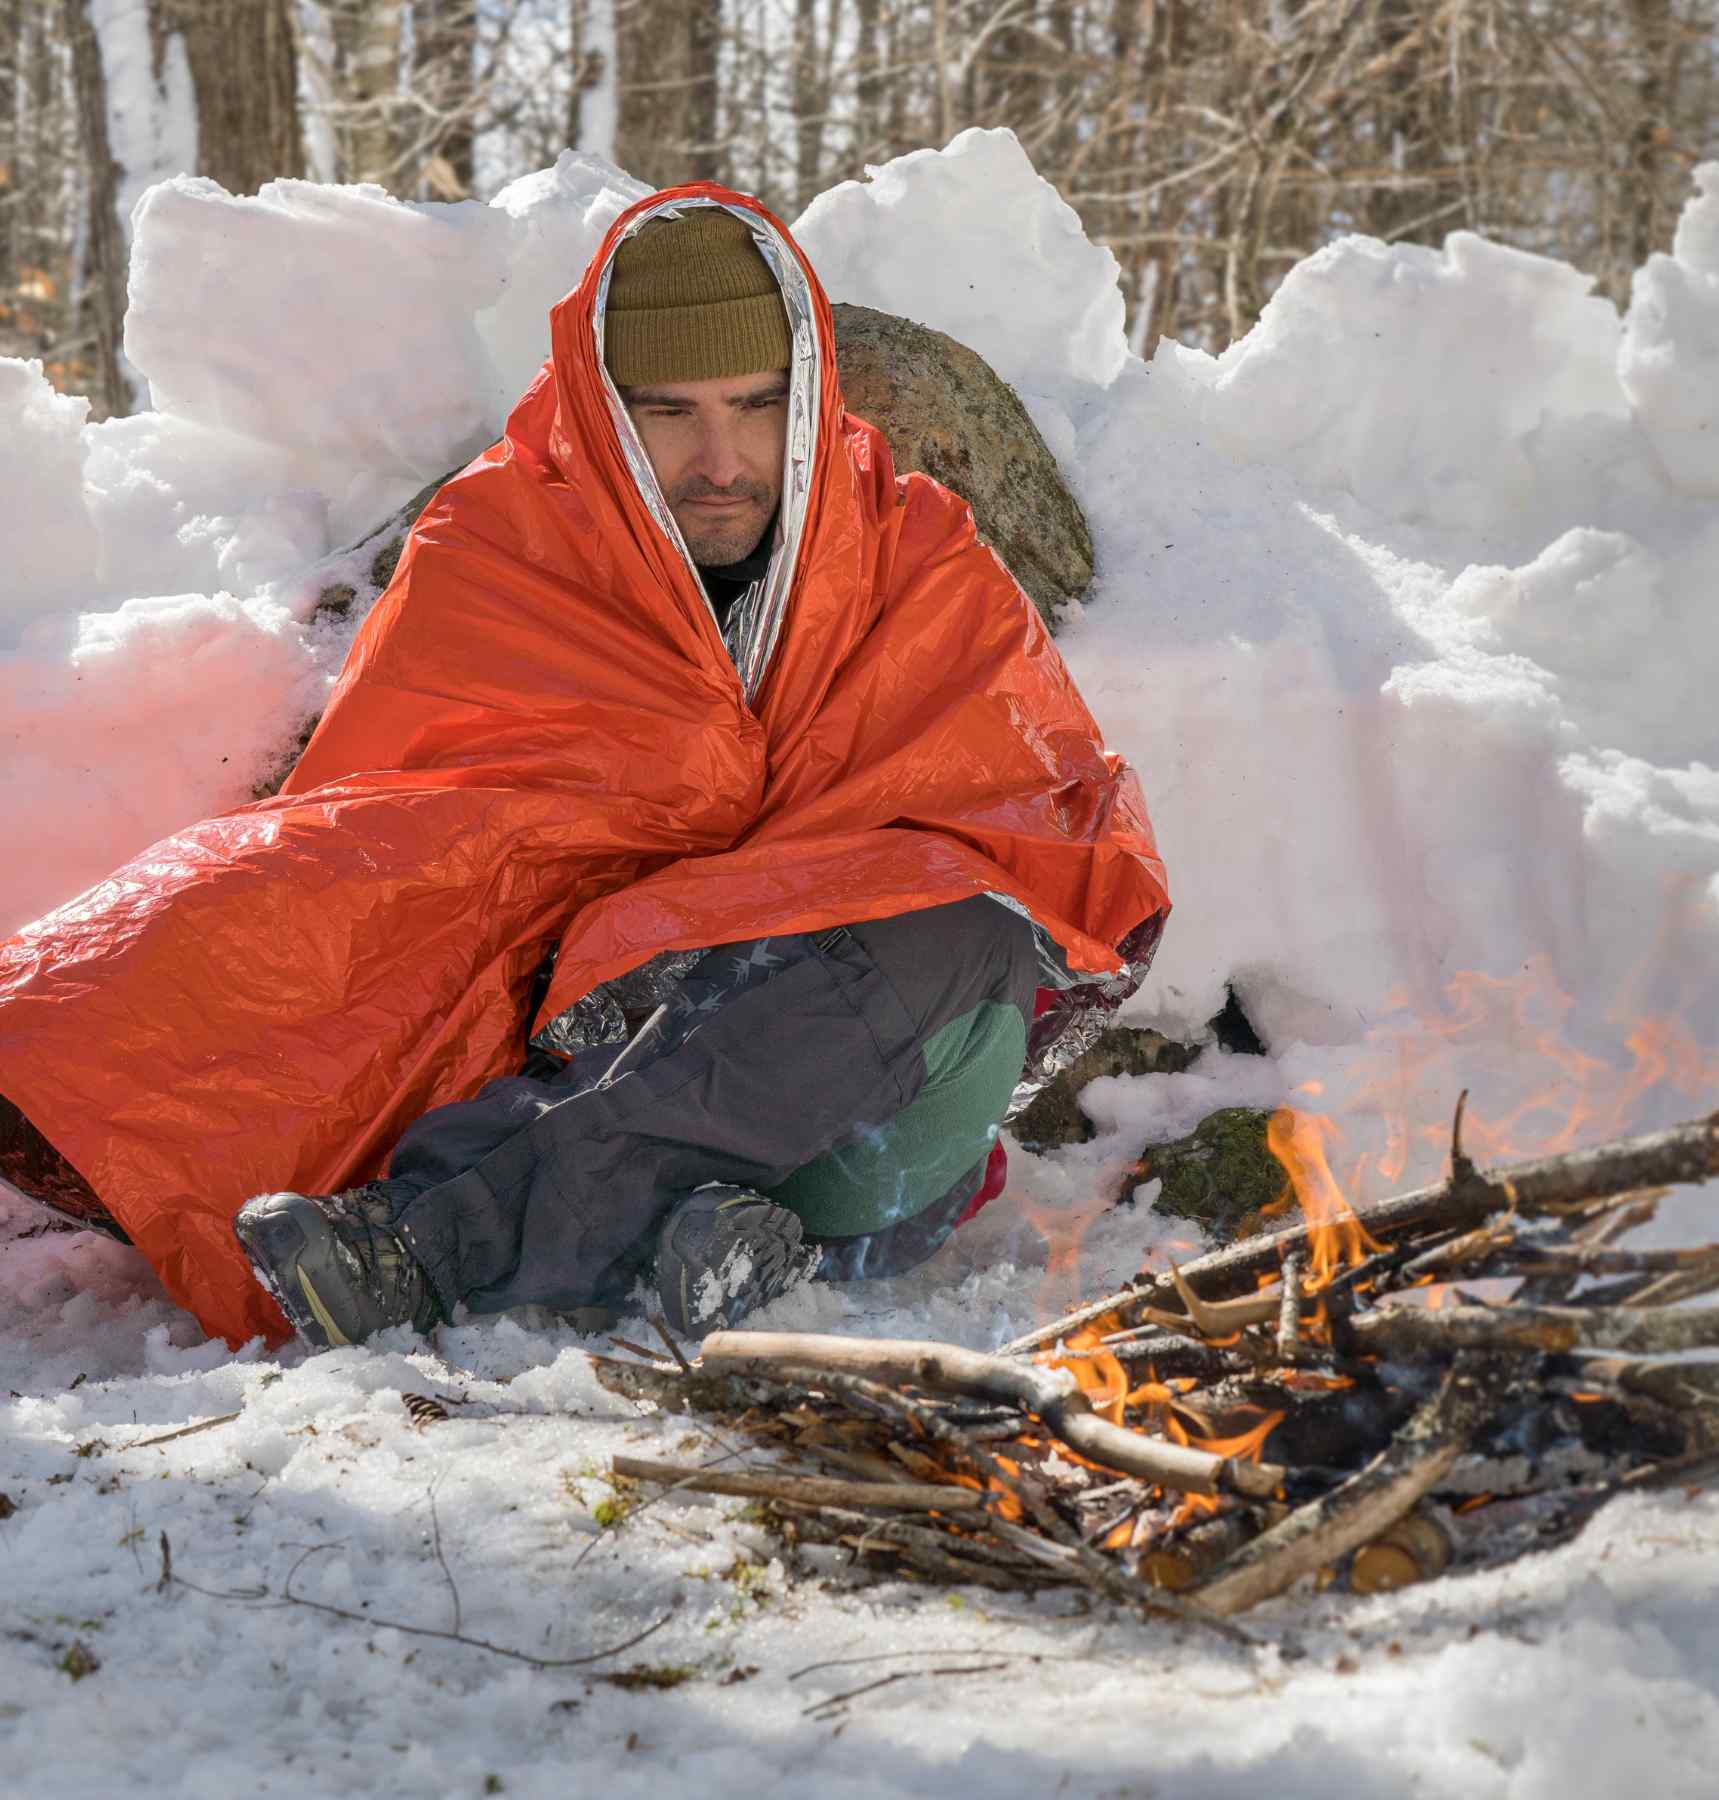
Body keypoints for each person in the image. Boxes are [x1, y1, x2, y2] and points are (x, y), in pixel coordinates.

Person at [0, 185, 1168, 1351]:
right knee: (245, 894)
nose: (722, 460)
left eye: (757, 406)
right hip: (578, 1039)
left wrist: (742, 889)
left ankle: (429, 1250)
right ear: (603, 409)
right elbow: (405, 824)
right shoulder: (507, 541)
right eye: (669, 412)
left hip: (858, 1081)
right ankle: (713, 1244)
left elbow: (1031, 815)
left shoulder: (912, 554)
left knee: (962, 928)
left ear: (807, 395)